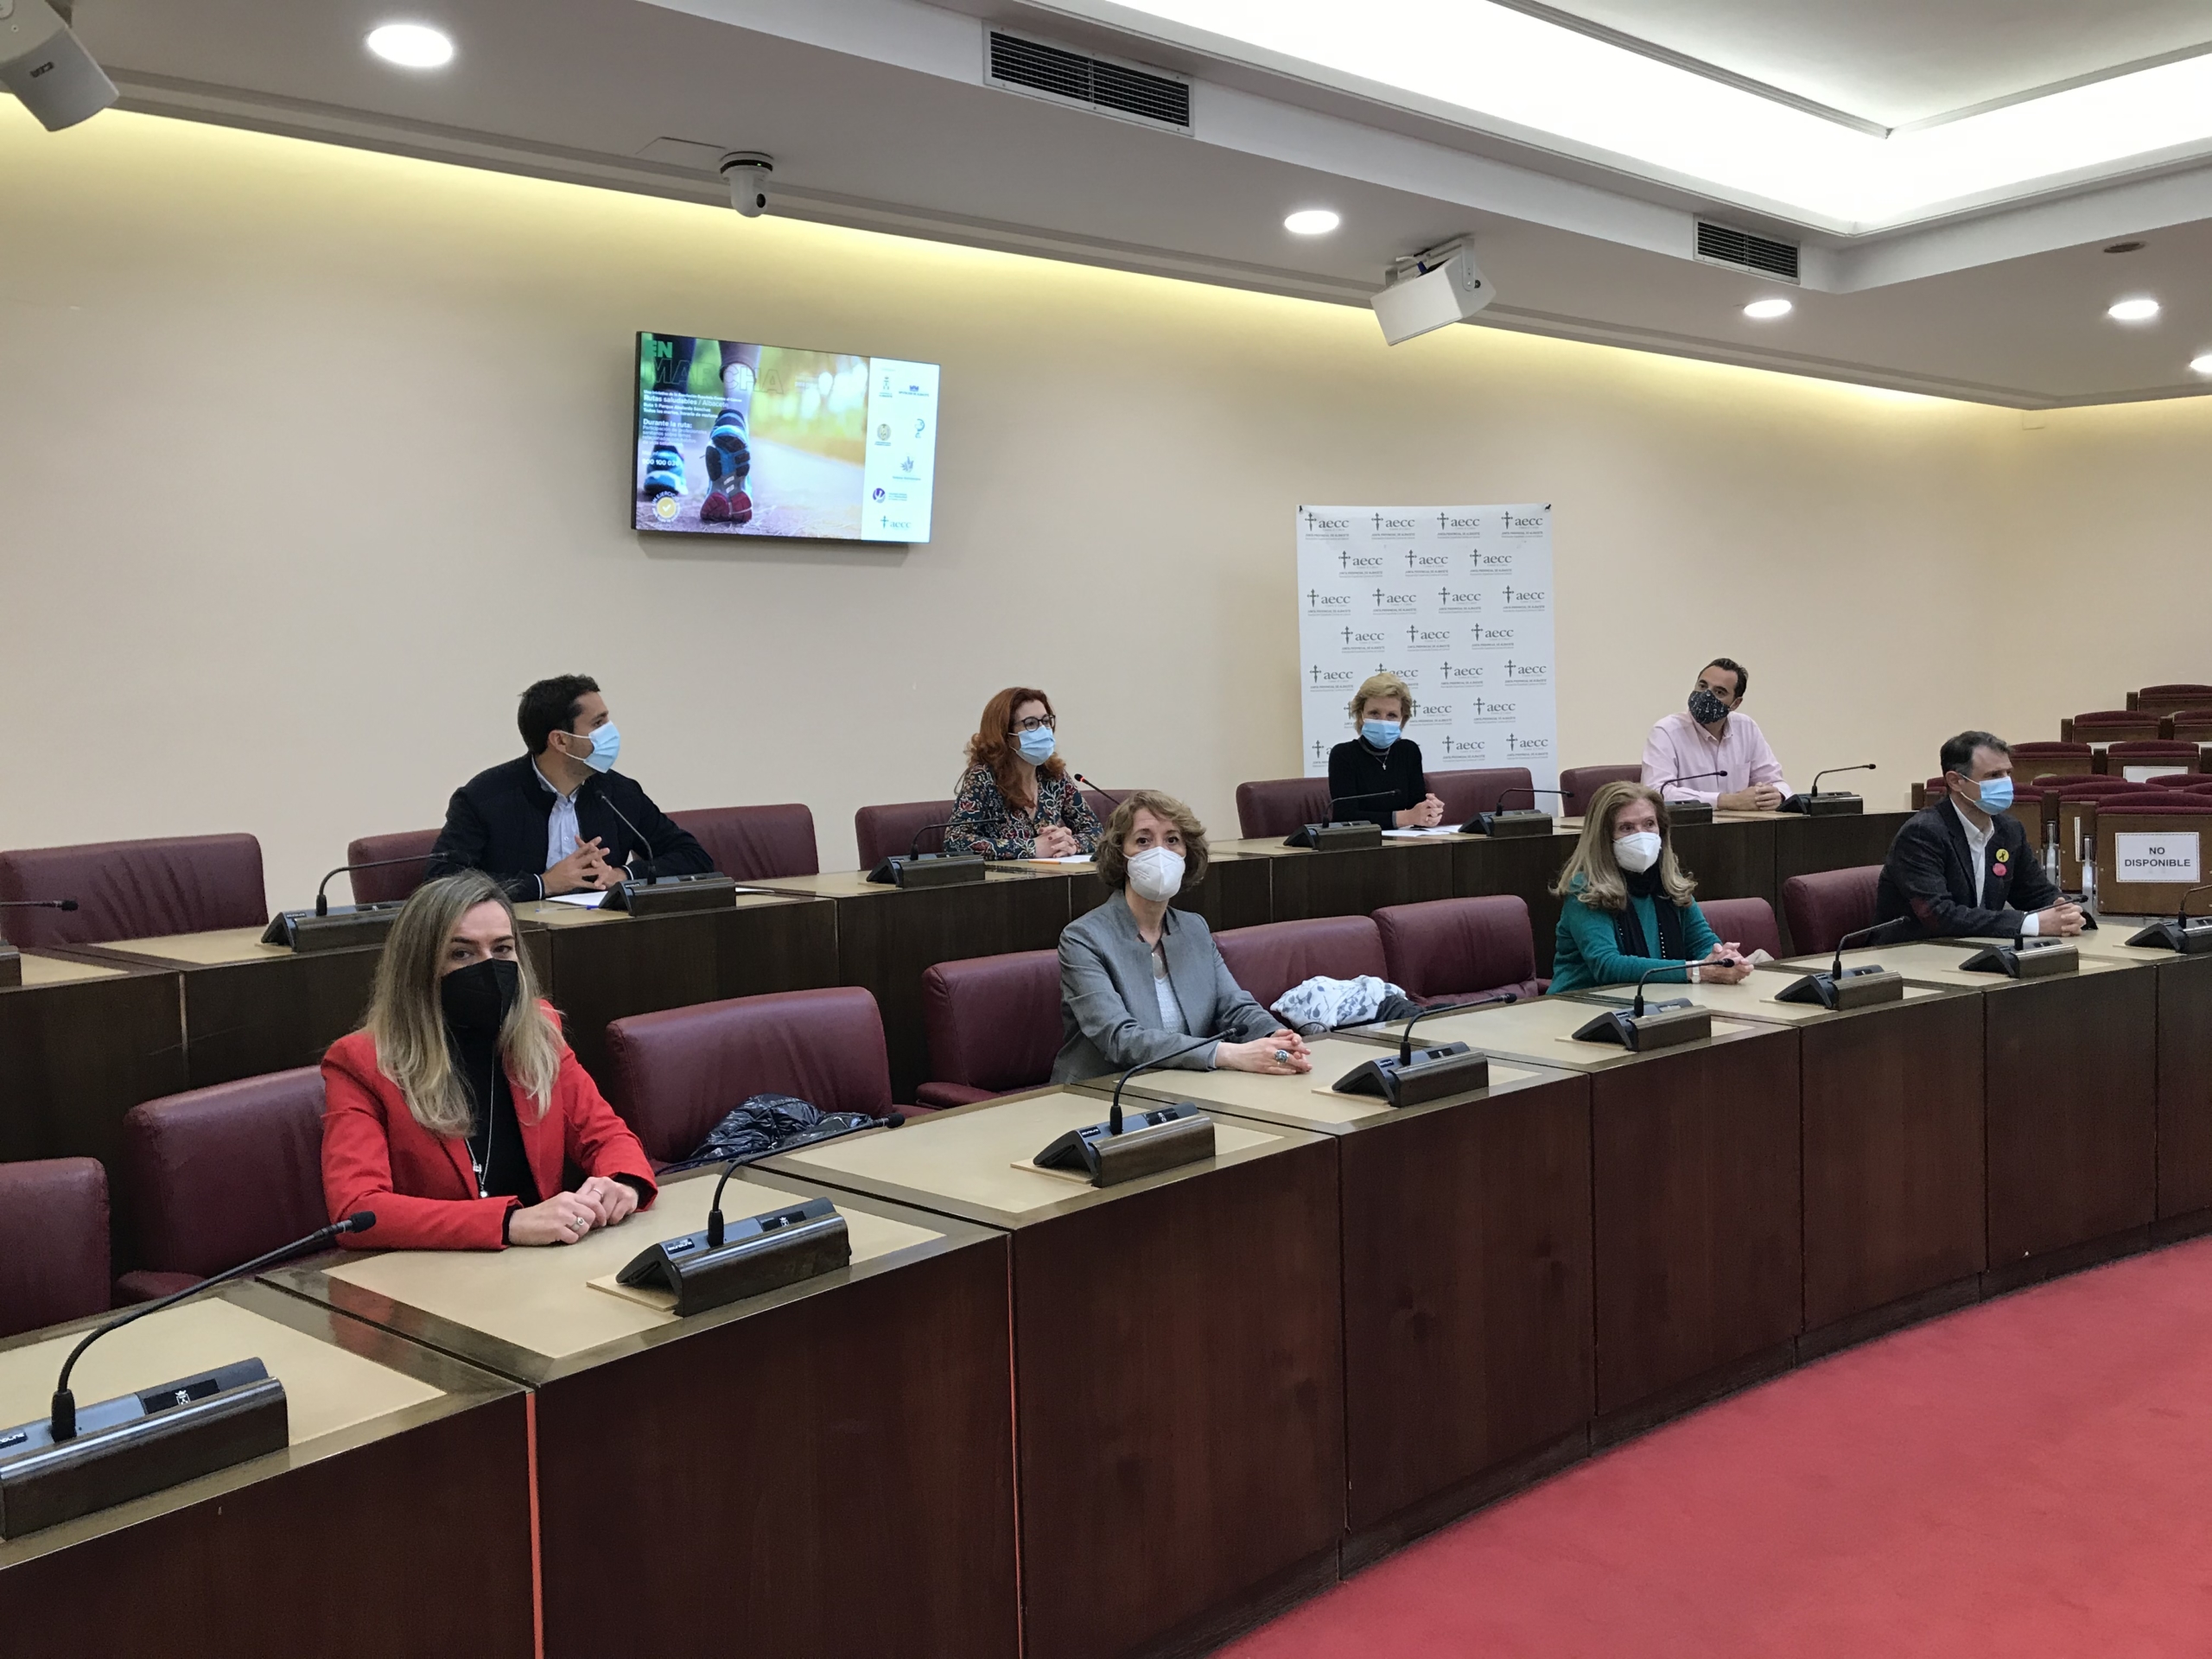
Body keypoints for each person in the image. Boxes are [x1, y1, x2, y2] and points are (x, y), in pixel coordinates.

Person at [321, 871, 657, 1249]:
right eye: (461, 953)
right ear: (418, 968)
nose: (489, 967)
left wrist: (621, 1183)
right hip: (435, 1273)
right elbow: (357, 1211)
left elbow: (607, 1136)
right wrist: (508, 1222)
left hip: (545, 1264)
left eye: (502, 949)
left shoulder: (539, 1031)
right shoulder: (362, 1062)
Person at [1053, 791, 1313, 1082]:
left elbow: (1234, 1007)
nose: (1160, 852)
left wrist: (1275, 1036)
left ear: (1187, 853)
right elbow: (1120, 1039)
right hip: (1101, 1091)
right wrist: (1226, 1054)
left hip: (1182, 1083)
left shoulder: (1193, 928)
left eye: (1172, 840)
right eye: (1143, 841)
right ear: (1120, 855)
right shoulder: (1083, 938)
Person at [426, 674, 709, 901]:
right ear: (561, 741)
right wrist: (543, 884)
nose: (611, 732)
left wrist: (622, 875)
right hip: (518, 938)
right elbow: (442, 880)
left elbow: (694, 857)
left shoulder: (618, 793)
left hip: (603, 933)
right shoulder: (484, 798)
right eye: (598, 723)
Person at [1546, 780, 1751, 994]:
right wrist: (1697, 971)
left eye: (1649, 824)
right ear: (1604, 837)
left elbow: (1702, 942)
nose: (1641, 835)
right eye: (1627, 828)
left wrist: (1722, 958)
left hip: (1656, 996)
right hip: (1582, 1002)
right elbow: (1607, 965)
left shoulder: (1668, 879)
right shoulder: (1585, 887)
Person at [1875, 731, 2082, 941]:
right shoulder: (1922, 834)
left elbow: (2035, 893)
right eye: (1994, 775)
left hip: (1977, 945)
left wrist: (2067, 911)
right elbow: (1939, 915)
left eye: (2008, 773)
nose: (2006, 782)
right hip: (1913, 950)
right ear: (1955, 781)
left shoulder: (2009, 830)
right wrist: (2029, 924)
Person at [944, 686, 1104, 861]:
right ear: (1005, 734)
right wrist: (1031, 848)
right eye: (1031, 724)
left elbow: (1095, 831)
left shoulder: (1054, 776)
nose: (1043, 730)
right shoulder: (983, 777)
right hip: (1003, 877)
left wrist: (1070, 844)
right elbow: (955, 841)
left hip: (1053, 874)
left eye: (1046, 721)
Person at [1641, 658, 1792, 812]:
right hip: (1690, 825)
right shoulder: (1666, 731)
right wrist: (1726, 801)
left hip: (1742, 824)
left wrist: (1777, 796)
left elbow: (1776, 782)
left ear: (1735, 704)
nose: (1706, 695)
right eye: (1702, 686)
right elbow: (1657, 793)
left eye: (1719, 692)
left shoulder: (1747, 728)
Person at [1328, 671, 1446, 829]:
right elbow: (1344, 816)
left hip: (1405, 840)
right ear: (1361, 715)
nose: (1383, 721)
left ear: (1402, 719)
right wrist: (1406, 817)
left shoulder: (1409, 751)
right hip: (1361, 841)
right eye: (1374, 713)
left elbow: (1417, 808)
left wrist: (1429, 813)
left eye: (1391, 715)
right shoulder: (1343, 755)